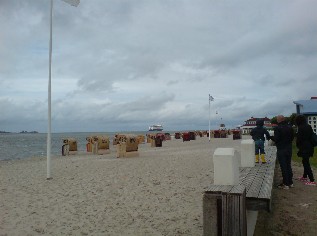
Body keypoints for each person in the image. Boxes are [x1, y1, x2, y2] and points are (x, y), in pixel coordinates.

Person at [271, 115, 294, 189]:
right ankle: (290, 183)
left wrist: (270, 137)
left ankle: (285, 184)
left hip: (281, 149)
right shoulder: (290, 127)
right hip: (289, 148)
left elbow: (276, 139)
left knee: (283, 166)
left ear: (279, 120)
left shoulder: (277, 128)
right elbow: (292, 137)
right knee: (288, 165)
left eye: (277, 119)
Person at [295, 115, 316, 186]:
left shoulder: (300, 128)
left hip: (304, 147)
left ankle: (312, 180)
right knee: (305, 161)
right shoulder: (308, 126)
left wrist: (297, 145)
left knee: (306, 163)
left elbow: (299, 139)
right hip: (310, 146)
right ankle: (304, 176)